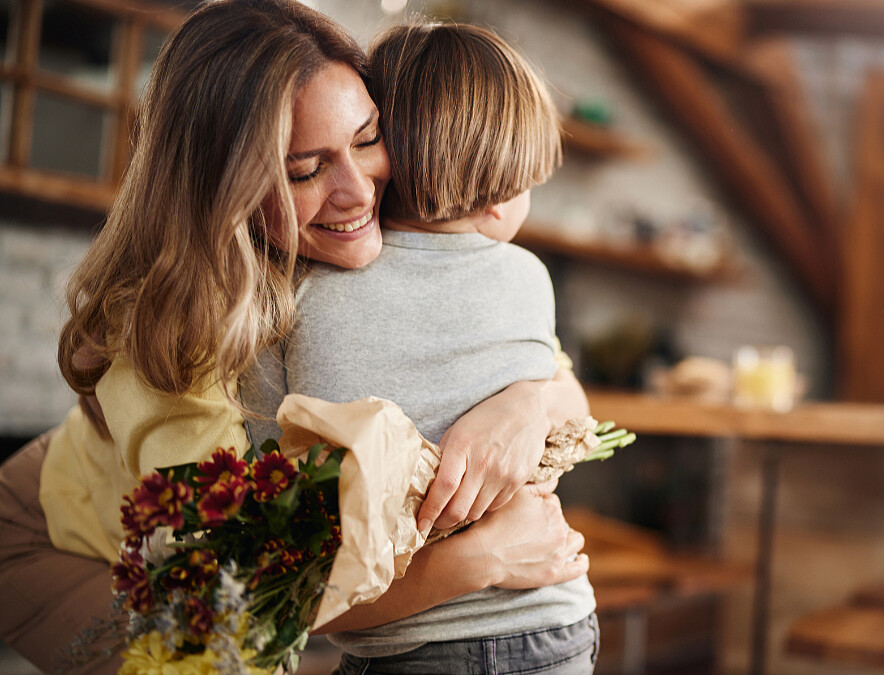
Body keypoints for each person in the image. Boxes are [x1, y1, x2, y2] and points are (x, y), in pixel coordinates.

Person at [0, 2, 589, 673]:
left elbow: (558, 386)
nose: (357, 192)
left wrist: (522, 404)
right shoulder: (182, 340)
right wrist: (477, 561)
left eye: (368, 138)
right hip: (50, 529)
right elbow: (241, 598)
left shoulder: (340, 248)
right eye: (306, 169)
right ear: (230, 191)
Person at [239, 22, 598, 674]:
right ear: (494, 199)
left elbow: (276, 518)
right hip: (551, 618)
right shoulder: (526, 279)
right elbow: (577, 417)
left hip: (398, 642)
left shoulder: (290, 301)